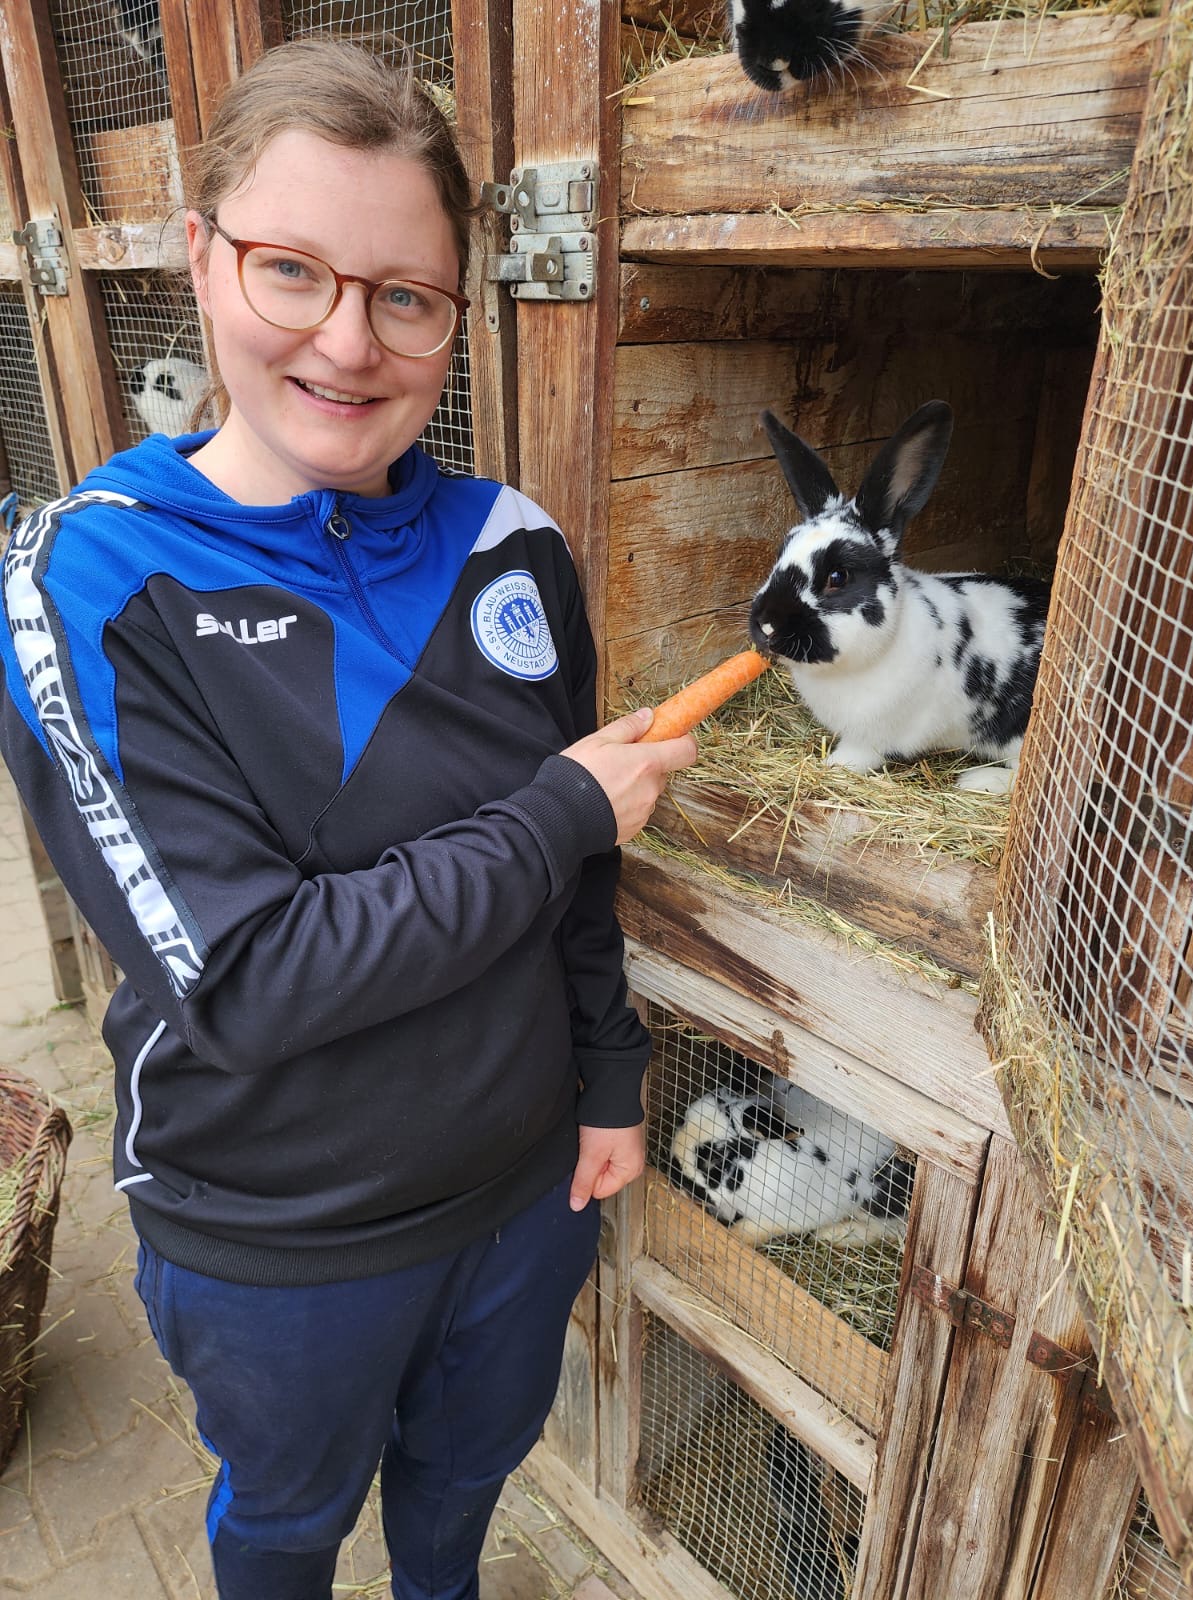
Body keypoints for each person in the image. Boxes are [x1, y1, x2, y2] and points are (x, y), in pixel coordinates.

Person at [0, 37, 695, 1600]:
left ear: (456, 313)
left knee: (464, 1478)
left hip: (525, 1190)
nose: (348, 341)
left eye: (406, 296)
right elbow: (248, 979)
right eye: (293, 271)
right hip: (284, 1239)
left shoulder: (510, 545)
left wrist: (607, 1077)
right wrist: (559, 809)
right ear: (201, 256)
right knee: (288, 1516)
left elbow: (581, 883)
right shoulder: (95, 576)